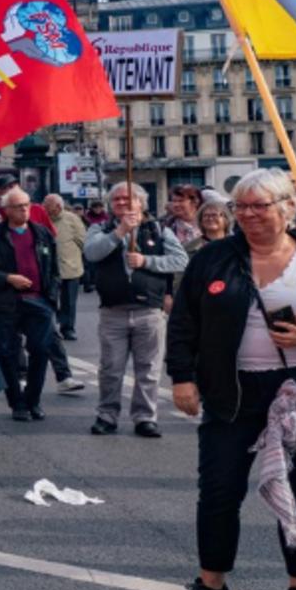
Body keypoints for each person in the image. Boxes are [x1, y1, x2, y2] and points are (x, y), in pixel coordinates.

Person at [167, 169, 296, 590]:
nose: (249, 215)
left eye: (260, 205)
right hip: (230, 392)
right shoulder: (213, 258)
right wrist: (182, 379)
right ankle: (212, 586)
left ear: (287, 208)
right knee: (218, 491)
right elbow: (184, 323)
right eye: (242, 207)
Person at [84, 181, 187, 439]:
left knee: (148, 369)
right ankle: (107, 415)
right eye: (117, 200)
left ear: (141, 203)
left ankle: (145, 417)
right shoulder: (101, 228)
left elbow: (180, 260)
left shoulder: (159, 229)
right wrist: (119, 233)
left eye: (128, 199)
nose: (122, 203)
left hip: (148, 310)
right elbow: (92, 254)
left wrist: (146, 261)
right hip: (113, 311)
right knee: (110, 368)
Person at [0, 186, 60, 422]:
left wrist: (51, 297)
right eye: (19, 206)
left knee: (41, 350)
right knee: (7, 354)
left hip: (38, 302)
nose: (24, 210)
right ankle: (17, 402)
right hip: (5, 303)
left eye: (27, 205)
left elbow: (54, 268)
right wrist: (7, 278)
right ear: (6, 210)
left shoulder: (41, 233)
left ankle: (33, 400)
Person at [45, 194, 88, 343]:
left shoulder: (72, 219)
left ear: (57, 206)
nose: (45, 207)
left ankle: (68, 328)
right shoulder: (43, 220)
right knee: (49, 300)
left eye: (47, 204)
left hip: (71, 268)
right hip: (49, 269)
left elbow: (83, 241)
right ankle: (51, 327)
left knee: (69, 302)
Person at [162, 183, 203, 248]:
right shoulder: (165, 226)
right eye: (174, 201)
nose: (176, 205)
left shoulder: (207, 224)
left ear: (195, 202)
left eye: (181, 201)